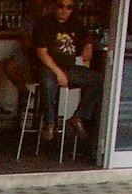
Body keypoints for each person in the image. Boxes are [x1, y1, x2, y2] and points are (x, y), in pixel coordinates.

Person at [32, 0, 103, 145]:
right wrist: (58, 72)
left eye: (69, 7)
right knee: (48, 82)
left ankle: (79, 116)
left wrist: (88, 45)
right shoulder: (44, 23)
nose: (64, 10)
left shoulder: (75, 23)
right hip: (48, 67)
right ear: (54, 6)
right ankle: (49, 123)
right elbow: (41, 53)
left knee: (98, 79)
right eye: (60, 6)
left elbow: (88, 34)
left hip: (69, 68)